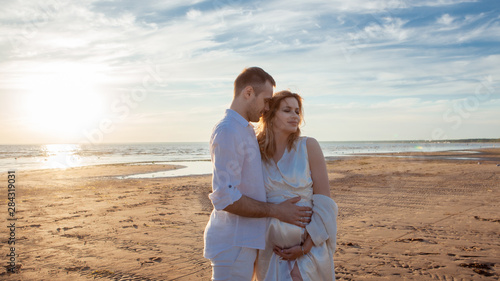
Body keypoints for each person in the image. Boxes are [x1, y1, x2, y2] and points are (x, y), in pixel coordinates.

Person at [203, 67, 313, 281]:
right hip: (233, 242)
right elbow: (225, 197)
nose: (267, 107)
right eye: (266, 100)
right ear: (248, 93)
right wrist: (277, 211)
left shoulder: (245, 130)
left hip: (246, 242)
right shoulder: (228, 131)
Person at [255, 90, 338, 281]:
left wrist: (305, 247)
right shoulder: (257, 152)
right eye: (287, 110)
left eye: (297, 111)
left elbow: (325, 202)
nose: (295, 116)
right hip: (270, 251)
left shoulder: (309, 146)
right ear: (271, 115)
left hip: (309, 249)